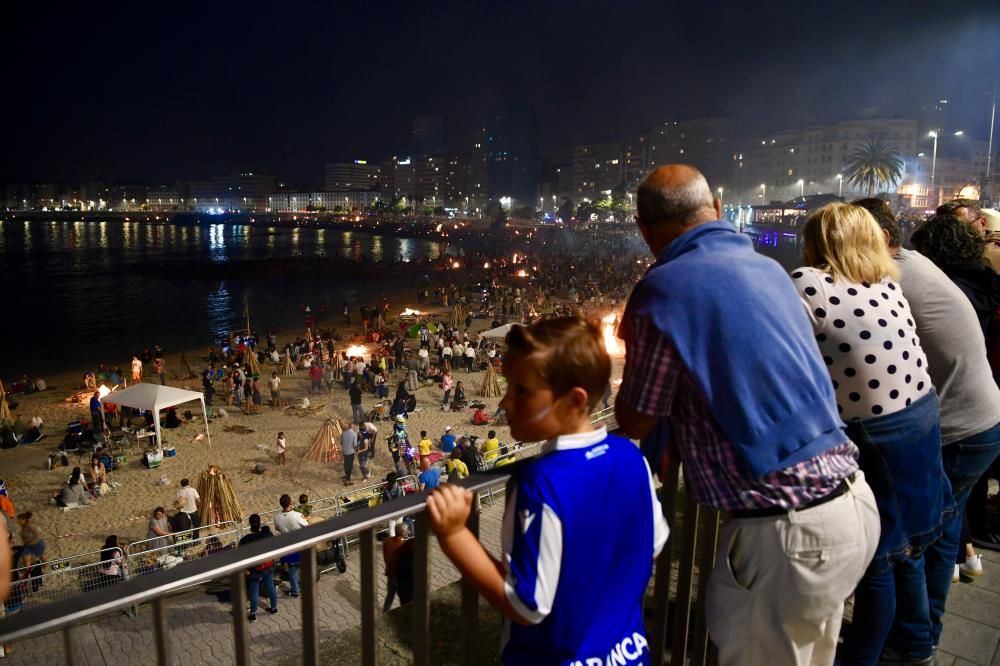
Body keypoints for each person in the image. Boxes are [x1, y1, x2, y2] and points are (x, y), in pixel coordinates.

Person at [615, 166, 878, 666]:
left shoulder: (663, 290)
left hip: (788, 534)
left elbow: (635, 418)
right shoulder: (770, 270)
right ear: (715, 207)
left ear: (644, 228)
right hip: (852, 504)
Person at [427, 315, 668, 665]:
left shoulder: (541, 483)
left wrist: (453, 535)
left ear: (573, 401)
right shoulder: (630, 456)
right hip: (627, 651)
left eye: (521, 391)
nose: (506, 403)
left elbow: (526, 606)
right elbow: (652, 545)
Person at [792, 203, 952, 664]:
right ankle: (917, 645)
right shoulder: (887, 283)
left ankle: (863, 657)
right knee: (909, 547)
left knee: (878, 558)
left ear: (820, 243)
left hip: (879, 436)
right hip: (921, 419)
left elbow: (781, 350)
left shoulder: (810, 284)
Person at [856, 198, 1000, 662]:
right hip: (980, 420)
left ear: (875, 238)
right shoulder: (912, 264)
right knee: (942, 529)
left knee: (911, 540)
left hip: (960, 427)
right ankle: (926, 632)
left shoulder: (891, 277)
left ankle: (914, 643)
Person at [911, 213, 1000, 562]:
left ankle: (924, 606)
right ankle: (961, 557)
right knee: (952, 512)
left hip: (962, 421)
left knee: (933, 520)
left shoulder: (945, 291)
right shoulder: (980, 288)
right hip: (985, 413)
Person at [238, 514, 278, 622]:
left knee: (254, 591)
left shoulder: (246, 540)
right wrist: (263, 526)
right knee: (270, 586)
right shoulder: (267, 534)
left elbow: (239, 555)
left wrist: (245, 571)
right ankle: (274, 608)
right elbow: (267, 531)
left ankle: (253, 614)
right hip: (268, 566)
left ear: (249, 524)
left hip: (255, 570)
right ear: (259, 523)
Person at [273, 494, 309, 599]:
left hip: (288, 545)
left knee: (292, 569)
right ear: (290, 503)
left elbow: (277, 529)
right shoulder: (297, 515)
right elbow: (306, 526)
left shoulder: (277, 517)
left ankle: (295, 590)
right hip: (300, 544)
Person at [382, 520, 414, 612]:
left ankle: (385, 614)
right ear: (403, 532)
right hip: (400, 577)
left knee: (389, 597)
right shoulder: (403, 546)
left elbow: (385, 556)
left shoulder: (387, 541)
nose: (408, 532)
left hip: (390, 574)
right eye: (407, 530)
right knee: (404, 598)